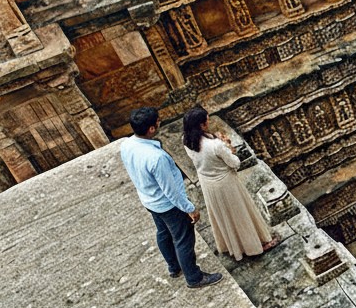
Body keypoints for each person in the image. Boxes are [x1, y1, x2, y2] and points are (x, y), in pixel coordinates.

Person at [119, 107, 222, 289]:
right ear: (151, 128)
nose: (160, 122)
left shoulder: (127, 144)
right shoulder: (157, 158)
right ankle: (194, 278)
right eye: (157, 121)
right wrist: (190, 208)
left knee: (163, 233)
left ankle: (174, 267)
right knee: (184, 240)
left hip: (149, 200)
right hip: (167, 205)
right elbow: (171, 191)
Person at [183, 106, 280, 262]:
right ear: (201, 125)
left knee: (223, 216)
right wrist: (228, 146)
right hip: (225, 183)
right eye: (207, 121)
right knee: (239, 214)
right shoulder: (215, 145)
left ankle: (232, 246)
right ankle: (254, 247)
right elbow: (235, 163)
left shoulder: (187, 141)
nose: (208, 123)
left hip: (208, 183)